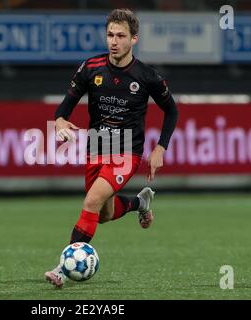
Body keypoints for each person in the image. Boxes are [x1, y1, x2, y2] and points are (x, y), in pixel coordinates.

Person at [45, 8, 179, 288]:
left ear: (134, 40)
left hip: (126, 152)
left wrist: (160, 148)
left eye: (121, 35)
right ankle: (139, 203)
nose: (114, 41)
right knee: (103, 214)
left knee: (91, 202)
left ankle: (62, 267)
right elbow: (64, 107)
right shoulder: (90, 68)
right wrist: (59, 121)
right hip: (97, 149)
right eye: (110, 35)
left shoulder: (147, 76)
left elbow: (172, 110)